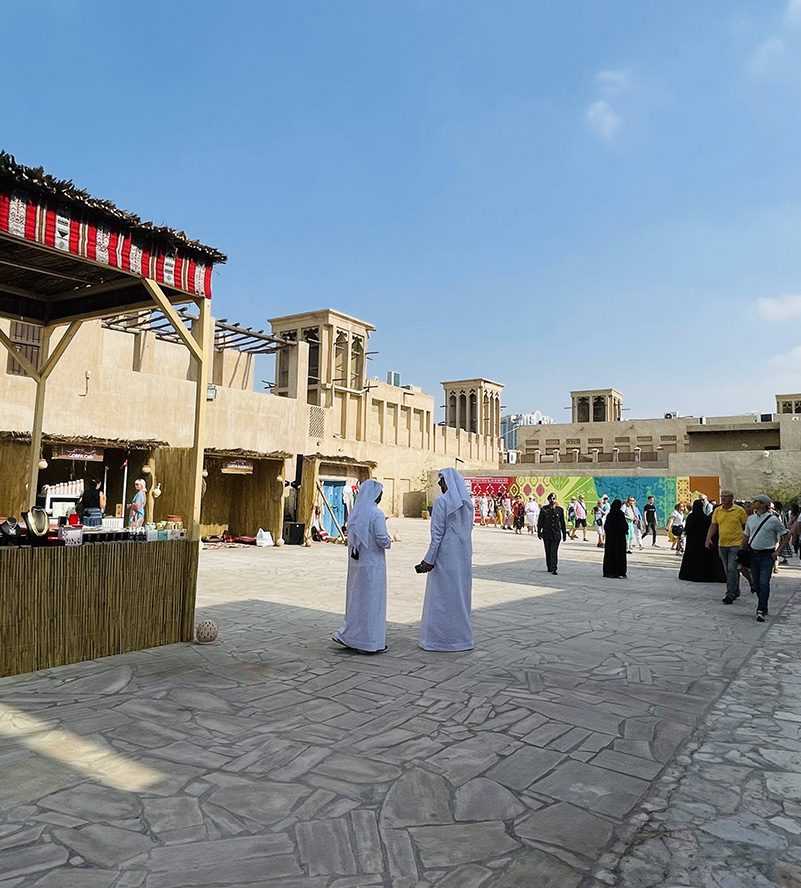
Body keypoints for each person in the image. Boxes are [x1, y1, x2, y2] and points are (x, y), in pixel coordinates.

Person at [415, 468, 474, 651]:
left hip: (445, 555)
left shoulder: (442, 502)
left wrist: (428, 560)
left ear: (449, 483)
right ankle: (460, 638)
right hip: (462, 554)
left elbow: (437, 534)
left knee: (442, 597)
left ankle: (440, 640)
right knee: (459, 596)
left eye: (442, 481)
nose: (439, 484)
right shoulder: (467, 504)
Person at [333, 479, 391, 653]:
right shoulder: (376, 514)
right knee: (372, 602)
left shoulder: (356, 513)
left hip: (357, 564)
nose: (381, 496)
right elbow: (381, 538)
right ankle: (369, 641)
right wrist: (389, 541)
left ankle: (353, 636)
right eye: (380, 493)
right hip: (373, 564)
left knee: (357, 600)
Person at [744, 495, 790, 622]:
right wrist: (742, 551)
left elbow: (786, 535)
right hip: (753, 554)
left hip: (767, 555)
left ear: (763, 504)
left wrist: (778, 552)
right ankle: (763, 604)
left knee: (764, 582)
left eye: (756, 502)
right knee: (757, 583)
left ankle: (760, 609)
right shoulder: (751, 519)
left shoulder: (773, 520)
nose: (753, 503)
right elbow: (746, 536)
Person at [706, 490, 748, 604]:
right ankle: (736, 590)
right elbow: (713, 525)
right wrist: (708, 538)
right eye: (722, 496)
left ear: (731, 498)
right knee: (728, 570)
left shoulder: (739, 511)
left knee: (731, 569)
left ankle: (729, 594)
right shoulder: (717, 511)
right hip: (722, 544)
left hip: (736, 544)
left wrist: (745, 542)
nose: (723, 498)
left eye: (726, 497)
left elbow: (746, 527)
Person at [680, 499, 726, 583]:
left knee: (690, 558)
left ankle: (688, 574)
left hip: (691, 542)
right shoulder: (705, 517)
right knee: (700, 559)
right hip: (701, 541)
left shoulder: (690, 517)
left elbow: (687, 529)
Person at [538, 493, 567, 575]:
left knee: (554, 551)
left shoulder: (560, 510)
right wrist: (539, 532)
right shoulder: (544, 509)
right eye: (551, 498)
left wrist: (564, 534)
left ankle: (554, 568)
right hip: (546, 534)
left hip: (556, 534)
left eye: (554, 498)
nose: (552, 500)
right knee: (548, 551)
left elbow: (562, 523)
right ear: (548, 500)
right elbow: (540, 521)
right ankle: (549, 567)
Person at [603, 499, 628, 578]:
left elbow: (606, 527)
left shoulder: (610, 515)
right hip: (620, 540)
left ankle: (609, 572)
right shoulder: (620, 514)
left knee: (610, 555)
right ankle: (620, 572)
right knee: (620, 555)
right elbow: (624, 526)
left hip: (610, 540)